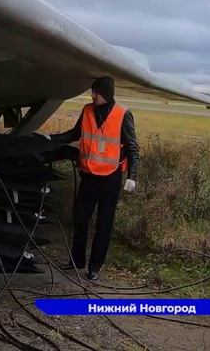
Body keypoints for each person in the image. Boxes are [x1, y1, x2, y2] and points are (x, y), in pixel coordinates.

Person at [53, 76, 139, 281]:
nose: (93, 95)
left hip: (110, 178)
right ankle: (77, 260)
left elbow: (133, 147)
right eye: (92, 92)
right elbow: (75, 134)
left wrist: (132, 176)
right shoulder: (87, 110)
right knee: (80, 217)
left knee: (104, 223)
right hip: (89, 175)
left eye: (97, 92)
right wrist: (52, 139)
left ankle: (94, 266)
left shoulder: (123, 114)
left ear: (107, 94)